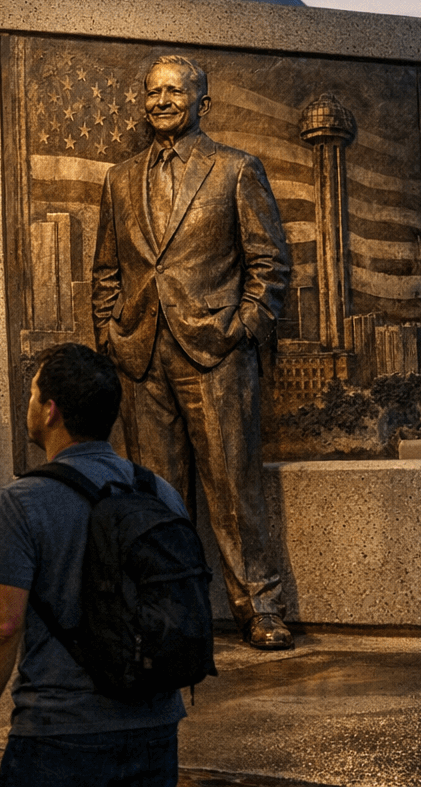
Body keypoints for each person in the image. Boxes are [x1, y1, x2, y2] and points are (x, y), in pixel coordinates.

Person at [91, 55, 293, 650]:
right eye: (152, 92)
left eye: (174, 92)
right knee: (157, 496)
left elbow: (270, 263)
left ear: (201, 103)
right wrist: (109, 331)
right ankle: (169, 609)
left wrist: (244, 326)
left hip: (217, 353)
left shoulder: (236, 169)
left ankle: (260, 607)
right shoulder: (120, 179)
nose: (161, 101)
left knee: (234, 490)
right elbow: (107, 268)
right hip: (140, 354)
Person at [0, 343, 188, 787]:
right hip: (156, 727)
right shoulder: (160, 492)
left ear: (51, 411)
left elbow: (2, 626)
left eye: (32, 394)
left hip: (60, 734)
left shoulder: (21, 503)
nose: (28, 404)